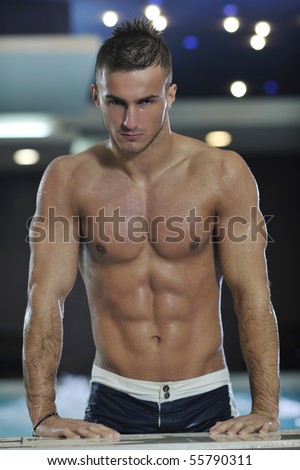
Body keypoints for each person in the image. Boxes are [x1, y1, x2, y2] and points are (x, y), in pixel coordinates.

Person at [23, 17, 280, 439]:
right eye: (116, 102)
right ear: (96, 97)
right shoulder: (67, 178)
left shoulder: (222, 173)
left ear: (170, 96)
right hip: (113, 398)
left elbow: (252, 292)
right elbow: (44, 297)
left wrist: (267, 409)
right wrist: (43, 414)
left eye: (146, 102)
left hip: (207, 396)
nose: (130, 120)